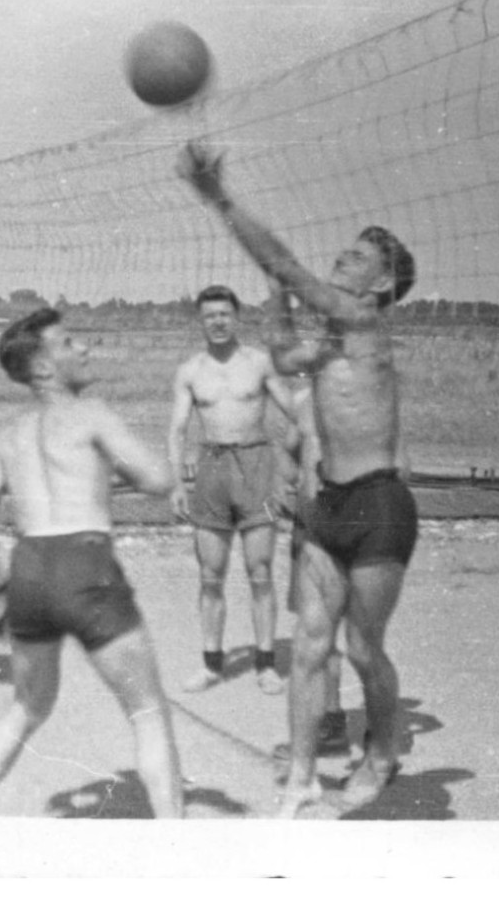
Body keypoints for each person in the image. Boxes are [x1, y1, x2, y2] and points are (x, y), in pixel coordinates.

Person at [176, 141, 417, 816]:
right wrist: (280, 300)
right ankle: (305, 773)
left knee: (363, 649)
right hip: (327, 504)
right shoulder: (335, 337)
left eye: (359, 257)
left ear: (379, 284)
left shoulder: (363, 320)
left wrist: (219, 198)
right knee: (309, 646)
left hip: (378, 504)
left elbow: (279, 257)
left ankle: (380, 751)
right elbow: (286, 353)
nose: (344, 257)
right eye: (345, 250)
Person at [0, 308, 184, 819]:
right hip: (84, 563)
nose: (83, 349)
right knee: (148, 712)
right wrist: (113, 470)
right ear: (41, 368)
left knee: (29, 705)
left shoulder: (8, 436)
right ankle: (178, 845)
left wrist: (0, 588)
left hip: (28, 571)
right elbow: (158, 480)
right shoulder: (93, 413)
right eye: (68, 343)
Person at [168, 285, 295, 696]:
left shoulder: (259, 363)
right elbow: (177, 430)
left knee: (260, 572)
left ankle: (265, 663)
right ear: (200, 321)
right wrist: (176, 483)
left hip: (256, 465)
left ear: (236, 317)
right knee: (210, 574)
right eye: (209, 316)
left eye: (224, 314)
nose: (218, 322)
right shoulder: (190, 370)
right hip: (212, 470)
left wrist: (289, 469)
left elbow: (296, 413)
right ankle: (211, 663)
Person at [273, 377, 349, 760]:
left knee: (345, 633)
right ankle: (329, 724)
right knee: (313, 626)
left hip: (345, 526)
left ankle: (367, 740)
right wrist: (290, 488)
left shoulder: (361, 404)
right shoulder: (303, 403)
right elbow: (288, 451)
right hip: (308, 525)